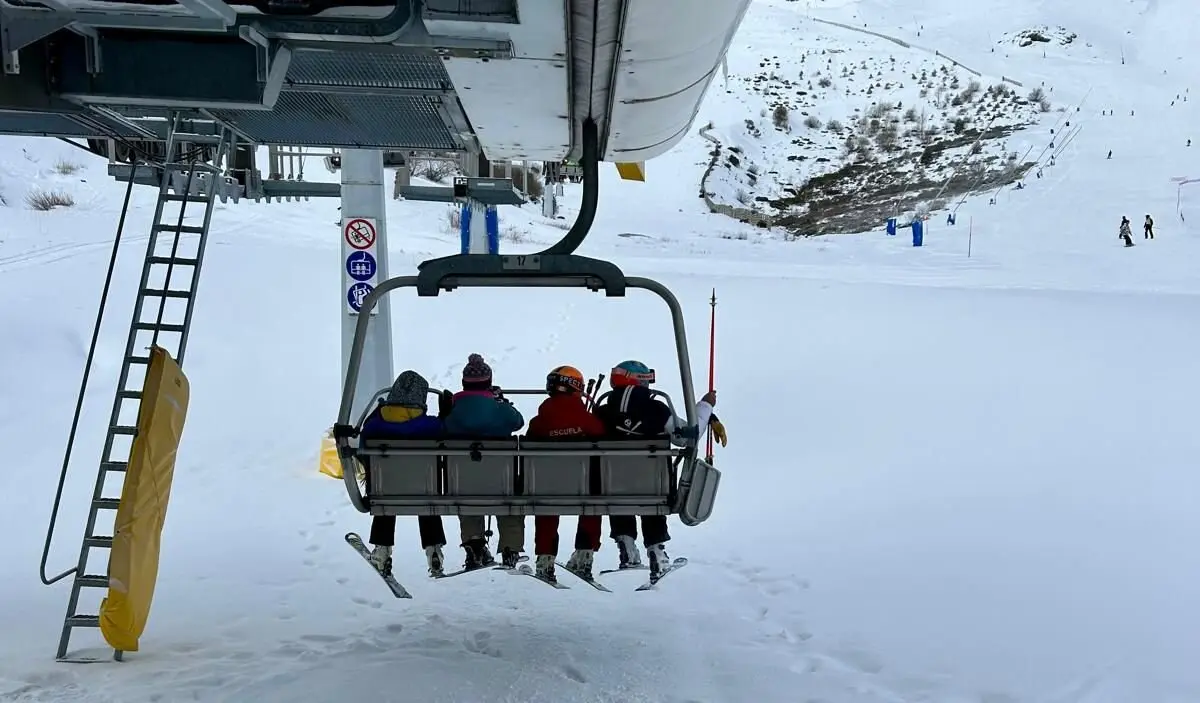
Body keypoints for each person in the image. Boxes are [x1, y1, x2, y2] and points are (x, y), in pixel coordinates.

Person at [594, 360, 727, 579]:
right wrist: (705, 407)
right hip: (654, 485)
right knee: (653, 493)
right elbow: (686, 436)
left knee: (619, 491)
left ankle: (627, 547)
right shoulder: (657, 409)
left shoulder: (602, 411)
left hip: (613, 485)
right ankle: (657, 553)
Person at [360, 370, 449, 577]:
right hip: (423, 486)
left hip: (385, 487)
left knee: (385, 497)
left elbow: (363, 446)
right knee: (426, 497)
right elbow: (448, 434)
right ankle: (434, 549)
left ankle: (382, 550)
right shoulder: (431, 426)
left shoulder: (375, 426)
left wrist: (378, 411)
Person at [443, 353, 526, 569]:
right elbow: (518, 421)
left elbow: (444, 427)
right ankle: (510, 548)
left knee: (468, 498)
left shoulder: (454, 410)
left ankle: (474, 546)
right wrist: (500, 401)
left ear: (464, 383)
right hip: (502, 479)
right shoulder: (499, 409)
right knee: (510, 504)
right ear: (489, 381)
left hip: (464, 479)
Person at [526, 365, 606, 582]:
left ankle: (545, 558)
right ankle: (585, 554)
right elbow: (600, 434)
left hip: (548, 483)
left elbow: (530, 439)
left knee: (547, 509)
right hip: (583, 483)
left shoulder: (541, 420)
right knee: (592, 504)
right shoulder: (586, 419)